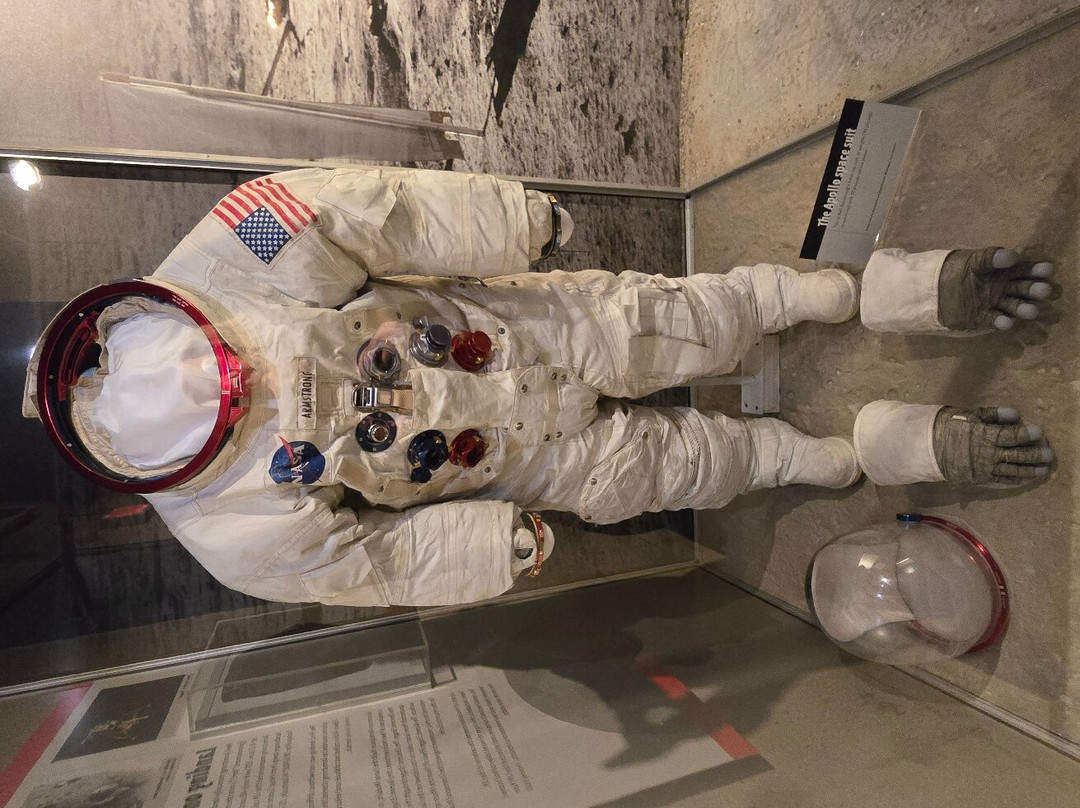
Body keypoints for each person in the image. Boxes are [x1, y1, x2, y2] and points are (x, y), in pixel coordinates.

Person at [22, 167, 1056, 607]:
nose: (252, 393)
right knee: (686, 468)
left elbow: (375, 210)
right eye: (231, 411)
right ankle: (838, 453)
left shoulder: (229, 251)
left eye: (228, 373)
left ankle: (862, 293)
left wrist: (508, 223)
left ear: (184, 327)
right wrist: (486, 547)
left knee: (693, 318)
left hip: (519, 332)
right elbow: (375, 564)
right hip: (527, 462)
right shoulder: (227, 528)